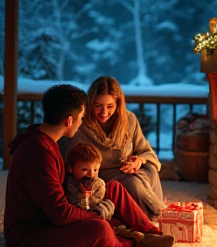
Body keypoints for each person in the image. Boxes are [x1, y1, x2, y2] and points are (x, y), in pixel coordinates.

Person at [4, 84, 175, 247]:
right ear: (69, 120)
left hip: (52, 217)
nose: (82, 122)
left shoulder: (45, 139)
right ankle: (134, 243)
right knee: (100, 228)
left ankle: (150, 232)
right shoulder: (39, 151)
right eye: (81, 117)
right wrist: (96, 214)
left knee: (113, 189)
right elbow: (61, 214)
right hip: (32, 231)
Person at [58, 76, 165, 221]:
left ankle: (156, 216)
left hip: (127, 170)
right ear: (90, 103)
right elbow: (70, 162)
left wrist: (138, 161)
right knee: (133, 183)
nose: (104, 113)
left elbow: (145, 151)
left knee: (150, 170)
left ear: (118, 104)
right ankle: (154, 217)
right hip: (96, 175)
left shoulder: (129, 120)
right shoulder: (80, 125)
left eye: (110, 106)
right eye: (98, 106)